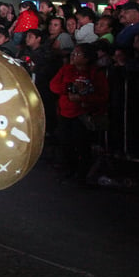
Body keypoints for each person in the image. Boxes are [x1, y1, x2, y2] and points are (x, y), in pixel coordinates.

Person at [49, 43, 109, 183]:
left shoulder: (95, 74)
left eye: (77, 54)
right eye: (73, 54)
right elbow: (53, 85)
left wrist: (83, 98)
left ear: (87, 58)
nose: (73, 56)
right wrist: (69, 88)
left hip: (83, 114)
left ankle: (82, 173)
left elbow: (103, 95)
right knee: (65, 143)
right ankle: (68, 170)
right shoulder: (66, 70)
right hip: (65, 112)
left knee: (81, 144)